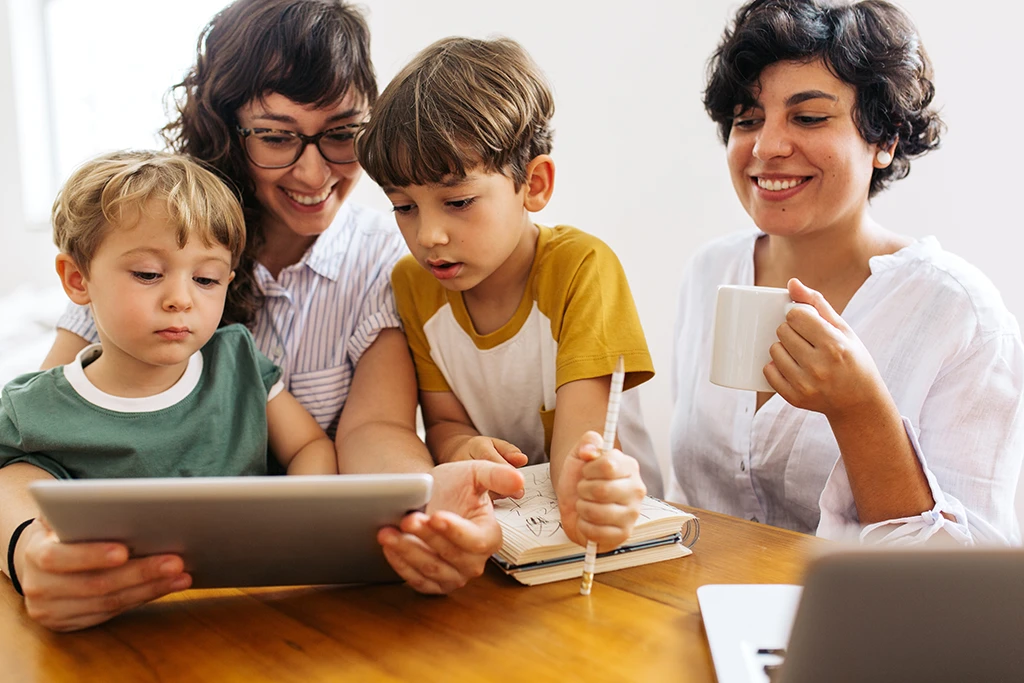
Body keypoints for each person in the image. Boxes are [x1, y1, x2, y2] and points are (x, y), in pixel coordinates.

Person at [2, 0, 523, 632]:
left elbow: (373, 430)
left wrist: (424, 510)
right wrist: (25, 547)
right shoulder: (148, 232)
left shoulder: (385, 260)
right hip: (135, 600)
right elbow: (35, 442)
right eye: (276, 137)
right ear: (227, 127)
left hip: (290, 599)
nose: (314, 171)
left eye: (342, 134)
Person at [669, 0, 1024, 544]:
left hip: (856, 607)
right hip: (695, 593)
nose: (766, 146)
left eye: (809, 117)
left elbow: (966, 577)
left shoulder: (960, 314)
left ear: (884, 139)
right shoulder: (709, 271)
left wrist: (861, 411)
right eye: (748, 119)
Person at [357, 37, 656, 551]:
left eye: (458, 201)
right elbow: (445, 422)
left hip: (612, 531)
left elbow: (583, 444)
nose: (428, 235)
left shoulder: (581, 268)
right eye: (404, 207)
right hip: (507, 536)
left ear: (533, 184)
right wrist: (461, 447)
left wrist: (583, 496)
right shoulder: (413, 284)